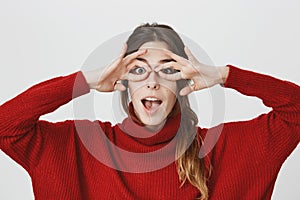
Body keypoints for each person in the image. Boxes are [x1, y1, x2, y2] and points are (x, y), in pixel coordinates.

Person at [0, 23, 299, 200]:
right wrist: (83, 81)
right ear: (124, 81)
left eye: (167, 71)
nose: (153, 82)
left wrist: (223, 75)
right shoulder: (80, 144)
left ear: (183, 81)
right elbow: (5, 126)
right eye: (139, 70)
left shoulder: (223, 150)